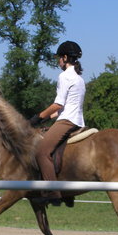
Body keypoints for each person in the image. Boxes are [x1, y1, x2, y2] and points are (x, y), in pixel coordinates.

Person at [30, 40, 85, 206]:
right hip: (77, 120)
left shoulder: (64, 76)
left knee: (41, 152)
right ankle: (68, 193)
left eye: (59, 58)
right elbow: (62, 108)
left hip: (67, 121)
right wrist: (47, 117)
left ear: (65, 58)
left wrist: (38, 117)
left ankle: (52, 193)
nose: (58, 61)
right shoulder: (79, 78)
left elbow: (58, 104)